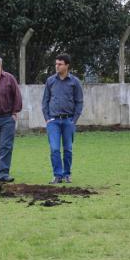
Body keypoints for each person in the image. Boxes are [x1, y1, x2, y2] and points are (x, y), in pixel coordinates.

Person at [42, 53, 84, 184]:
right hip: (53, 121)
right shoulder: (50, 81)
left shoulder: (75, 82)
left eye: (60, 64)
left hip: (68, 121)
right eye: (56, 64)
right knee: (54, 148)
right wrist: (47, 118)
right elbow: (45, 101)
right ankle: (57, 175)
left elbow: (79, 102)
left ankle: (67, 174)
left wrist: (74, 120)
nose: (57, 66)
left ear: (67, 65)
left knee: (67, 149)